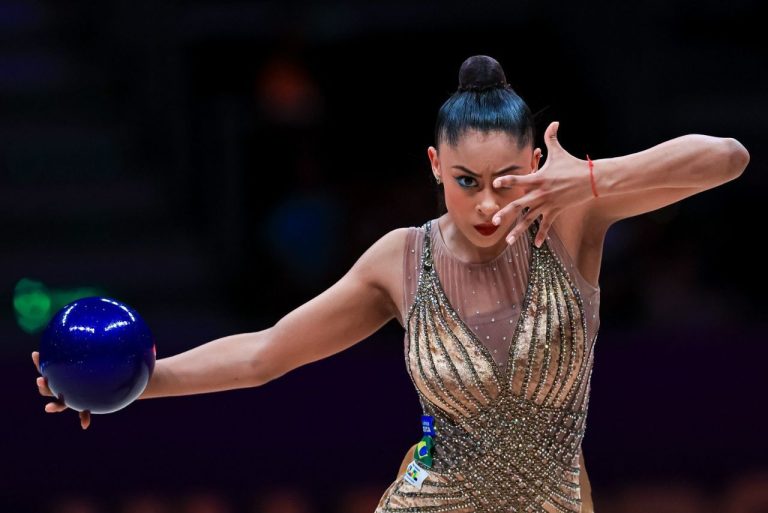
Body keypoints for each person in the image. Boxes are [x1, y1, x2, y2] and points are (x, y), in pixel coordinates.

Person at [32, 55, 750, 513]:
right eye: (466, 181)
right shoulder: (401, 260)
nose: (489, 204)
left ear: (536, 159)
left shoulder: (570, 222)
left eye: (508, 178)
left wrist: (590, 177)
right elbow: (265, 353)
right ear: (435, 165)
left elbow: (727, 157)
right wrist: (134, 384)